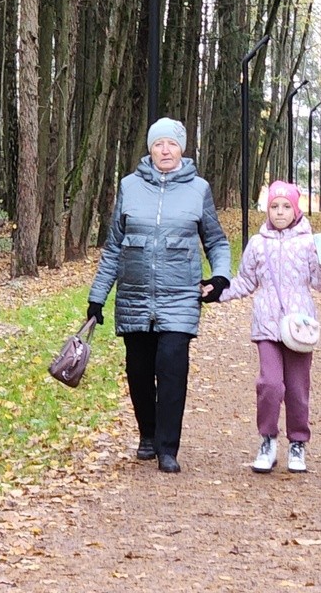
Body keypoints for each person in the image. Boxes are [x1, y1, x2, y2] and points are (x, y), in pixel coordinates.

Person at [87, 117, 231, 474]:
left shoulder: (198, 189)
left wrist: (221, 276)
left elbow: (215, 240)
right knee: (138, 370)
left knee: (171, 368)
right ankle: (147, 435)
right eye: (158, 144)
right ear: (149, 149)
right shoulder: (129, 186)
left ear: (182, 148)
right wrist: (97, 297)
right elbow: (113, 248)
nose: (165, 150)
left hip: (180, 295)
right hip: (134, 295)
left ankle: (168, 447)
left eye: (172, 144)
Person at [211, 181, 321, 474]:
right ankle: (267, 440)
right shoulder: (258, 243)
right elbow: (245, 281)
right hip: (267, 325)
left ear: (296, 209)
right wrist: (217, 293)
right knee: (269, 384)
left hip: (299, 328)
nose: (280, 212)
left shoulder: (309, 242)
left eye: (286, 206)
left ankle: (297, 443)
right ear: (267, 209)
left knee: (296, 388)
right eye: (274, 206)